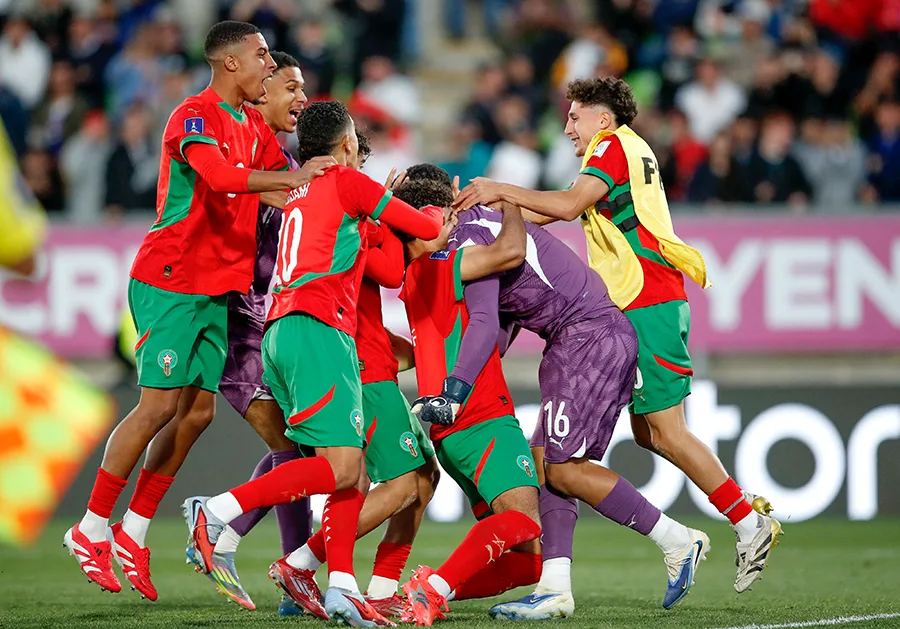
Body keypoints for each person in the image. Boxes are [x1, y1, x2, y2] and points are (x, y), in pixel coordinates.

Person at [455, 76, 782, 607]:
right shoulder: (620, 152)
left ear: (602, 119)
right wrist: (482, 213)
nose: (567, 127)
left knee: (665, 433)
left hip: (644, 301)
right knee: (635, 438)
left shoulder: (611, 146)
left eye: (574, 116)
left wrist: (501, 189)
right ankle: (555, 587)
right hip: (643, 304)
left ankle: (746, 522)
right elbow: (548, 209)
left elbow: (566, 205)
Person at [62, 21, 336, 601]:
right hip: (172, 279)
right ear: (231, 62)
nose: (270, 64)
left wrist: (345, 192)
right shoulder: (194, 115)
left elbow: (281, 190)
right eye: (262, 55)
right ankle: (90, 526)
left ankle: (134, 530)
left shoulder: (252, 127)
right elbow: (218, 177)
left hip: (217, 289)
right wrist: (293, 177)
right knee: (159, 405)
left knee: (196, 414)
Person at [183, 100, 442, 628]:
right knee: (344, 469)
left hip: (280, 330)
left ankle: (342, 587)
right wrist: (430, 208)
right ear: (346, 144)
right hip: (319, 329)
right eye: (355, 142)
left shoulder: (297, 191)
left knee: (349, 472)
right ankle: (218, 512)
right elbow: (424, 229)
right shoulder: (348, 182)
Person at [409, 171, 709, 616]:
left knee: (564, 469)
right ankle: (554, 588)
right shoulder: (483, 227)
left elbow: (489, 320)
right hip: (575, 337)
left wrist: (455, 388)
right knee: (544, 461)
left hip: (587, 333)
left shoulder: (470, 237)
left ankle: (677, 540)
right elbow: (501, 325)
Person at [172, 50, 314, 616]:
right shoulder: (238, 156)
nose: (301, 98)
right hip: (233, 319)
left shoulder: (282, 161)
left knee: (297, 447)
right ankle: (233, 533)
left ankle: (233, 535)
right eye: (290, 87)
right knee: (293, 446)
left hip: (270, 319)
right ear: (261, 90)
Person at [275, 167, 440, 620]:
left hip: (368, 360)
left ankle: (380, 588)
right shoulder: (352, 227)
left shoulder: (348, 225)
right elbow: (390, 271)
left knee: (421, 476)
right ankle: (299, 562)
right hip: (362, 370)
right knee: (399, 483)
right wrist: (393, 219)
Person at [391, 179, 542, 627]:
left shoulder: (412, 276)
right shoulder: (446, 263)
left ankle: (431, 588)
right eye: (446, 214)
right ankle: (434, 588)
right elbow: (511, 250)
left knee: (529, 563)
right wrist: (511, 199)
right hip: (480, 415)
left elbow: (484, 334)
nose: (454, 220)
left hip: (450, 430)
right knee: (524, 522)